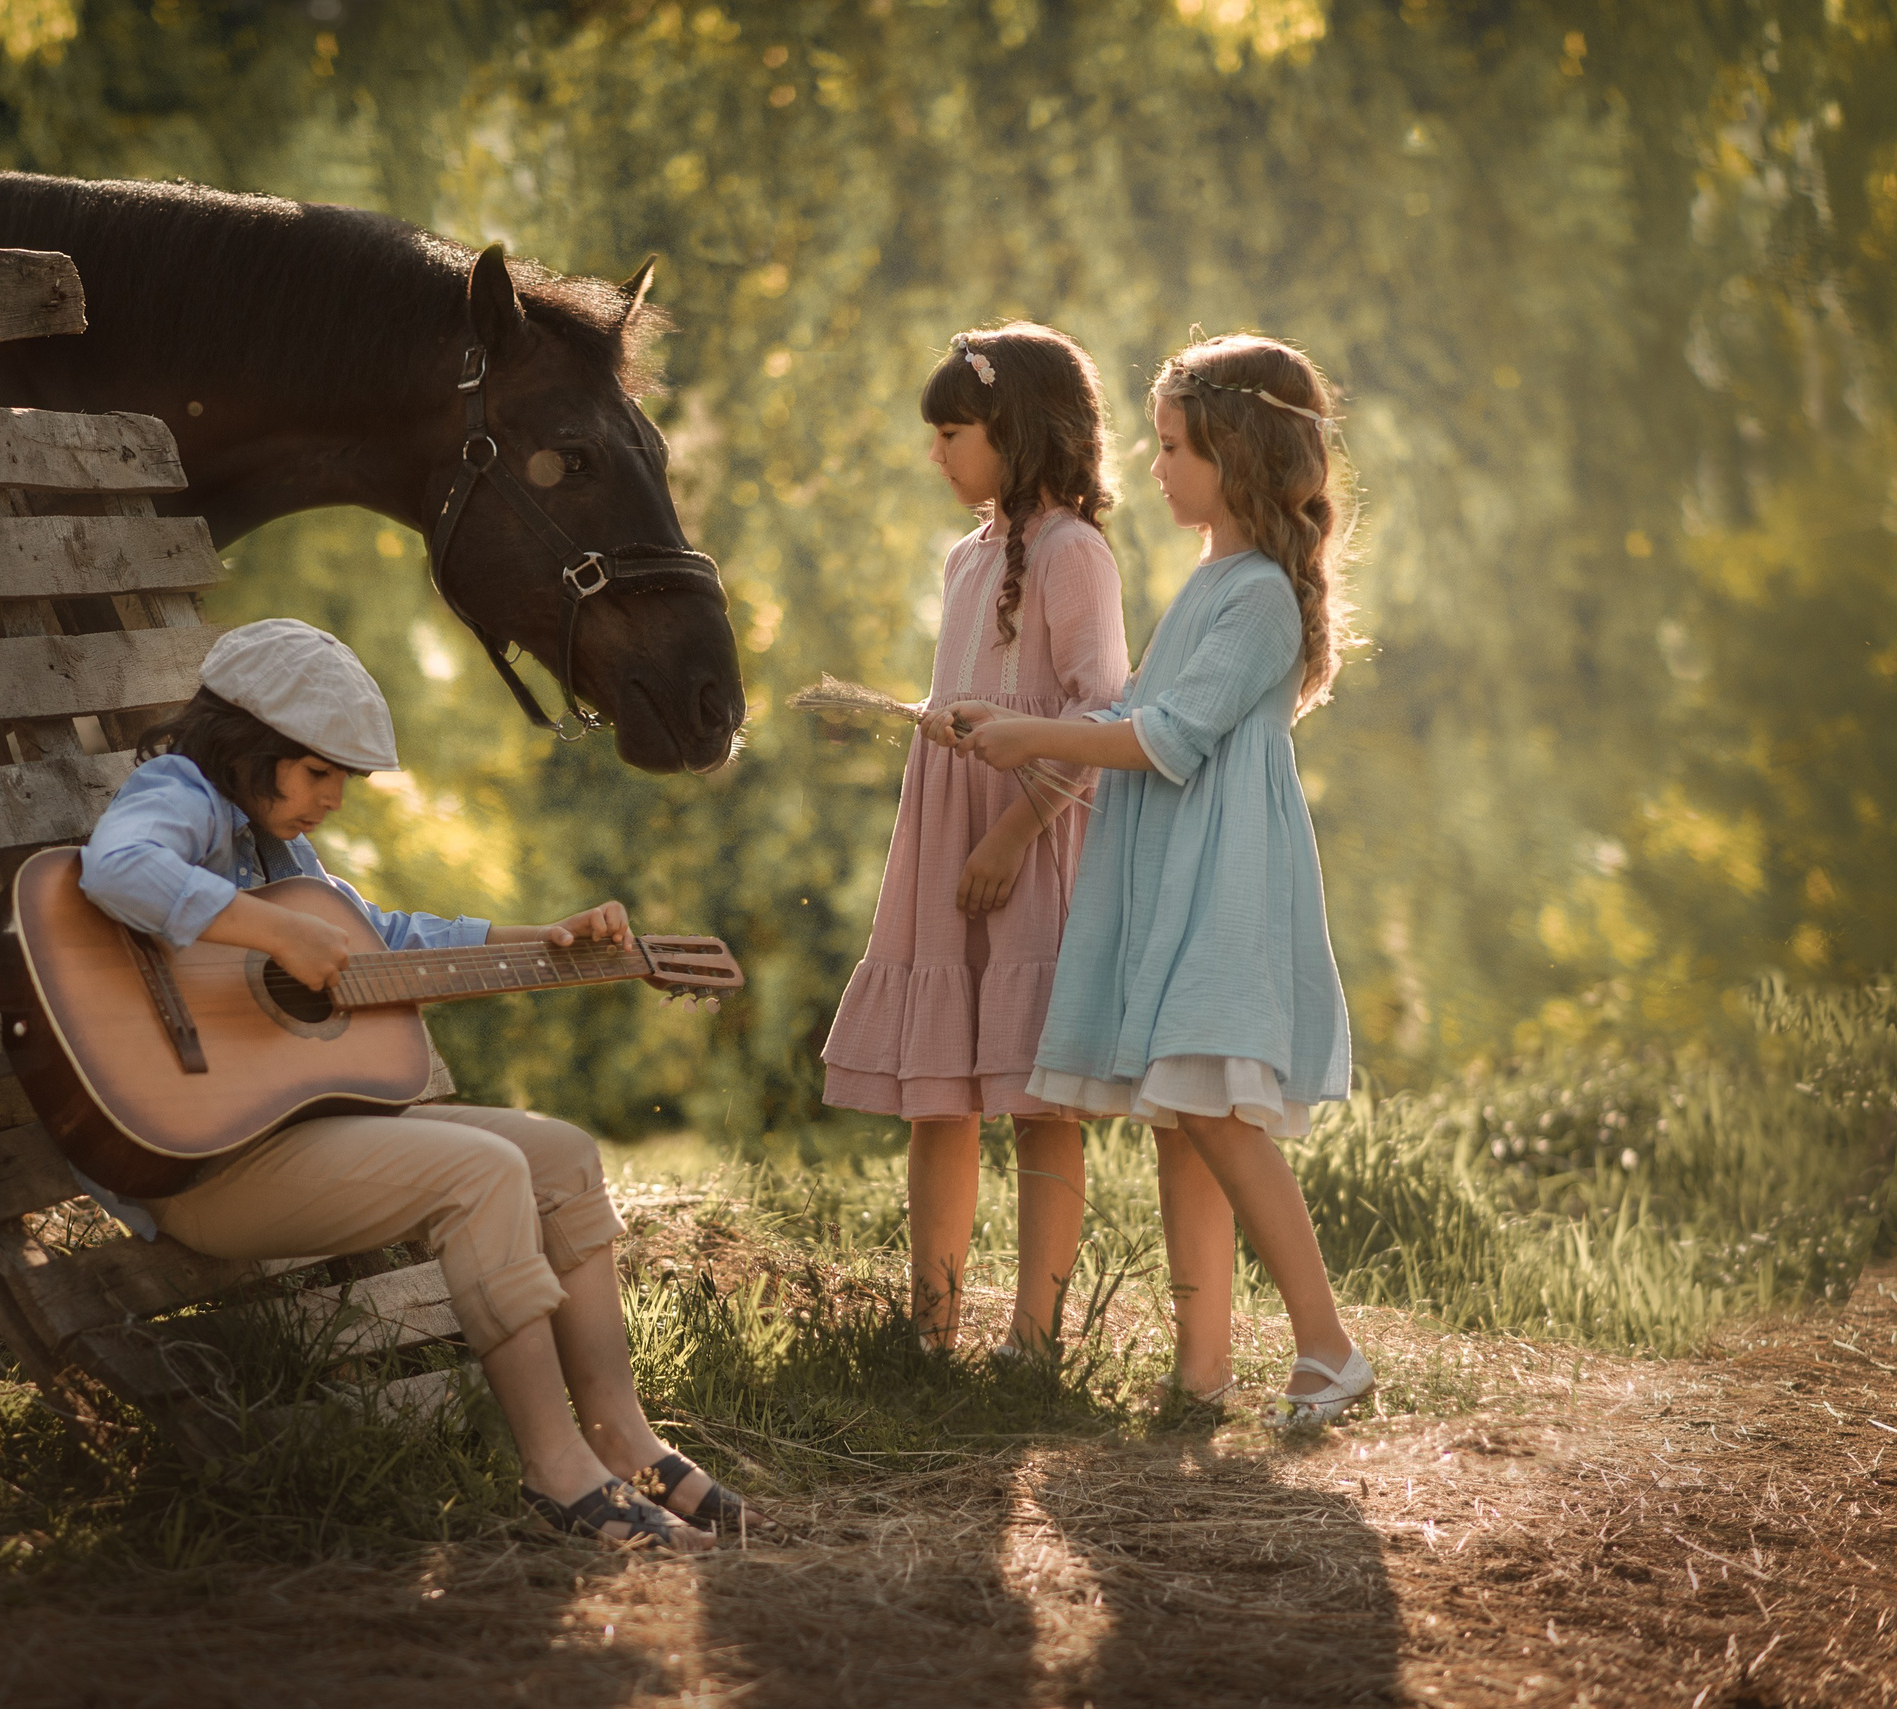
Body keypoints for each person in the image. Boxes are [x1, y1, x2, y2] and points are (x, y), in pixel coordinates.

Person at [76, 618, 744, 1549]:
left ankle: (620, 1435)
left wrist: (549, 941)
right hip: (202, 1158)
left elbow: (382, 940)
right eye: (318, 771)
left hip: (293, 1134)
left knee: (561, 1154)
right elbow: (115, 867)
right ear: (244, 745)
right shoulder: (181, 792)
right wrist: (273, 932)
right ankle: (554, 1470)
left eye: (343, 778)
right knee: (481, 1171)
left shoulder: (281, 851)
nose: (333, 798)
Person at [929, 332, 1374, 1427]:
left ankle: (1327, 1346)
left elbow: (1169, 737)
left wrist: (1037, 734)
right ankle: (1201, 1372)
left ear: (1240, 453)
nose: (1156, 467)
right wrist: (1006, 721)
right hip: (1179, 871)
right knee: (1185, 1114)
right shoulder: (1214, 579)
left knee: (1220, 1117)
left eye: (1176, 448)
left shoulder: (1259, 596)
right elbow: (1138, 710)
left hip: (1223, 881)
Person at [820, 325, 1131, 1355]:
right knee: (939, 1092)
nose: (937, 453)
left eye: (953, 432)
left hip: (1026, 839)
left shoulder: (1073, 553)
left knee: (1041, 1100)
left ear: (1017, 428)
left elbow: (1098, 714)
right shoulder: (968, 554)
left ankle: (1034, 1341)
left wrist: (1012, 834)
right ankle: (930, 1328)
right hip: (947, 829)